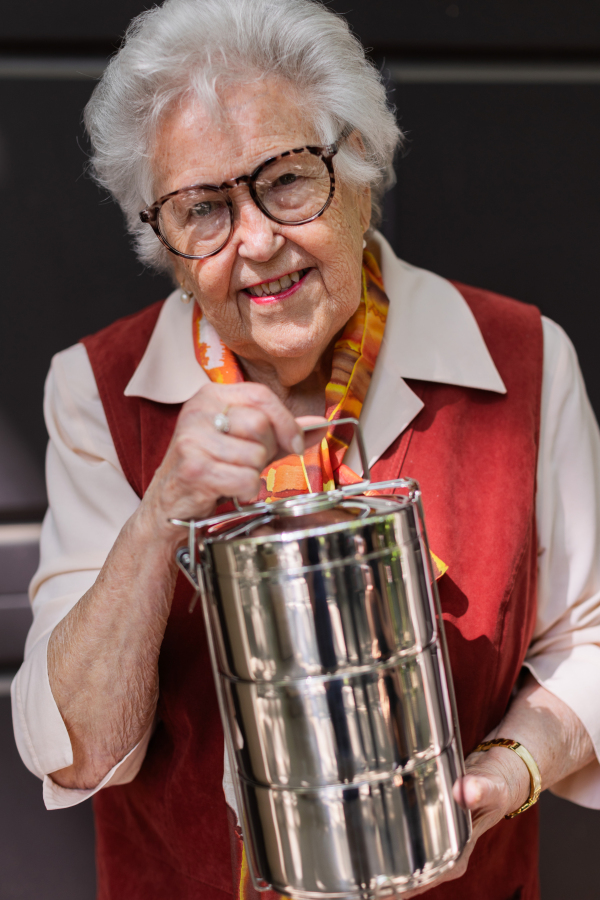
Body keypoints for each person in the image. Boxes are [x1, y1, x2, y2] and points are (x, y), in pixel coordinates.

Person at [11, 0, 600, 897]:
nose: (254, 242)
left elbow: (591, 640)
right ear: (161, 239)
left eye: (287, 180)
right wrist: (160, 513)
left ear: (361, 166)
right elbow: (79, 750)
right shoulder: (97, 389)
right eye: (201, 208)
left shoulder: (522, 360)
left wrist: (513, 771)